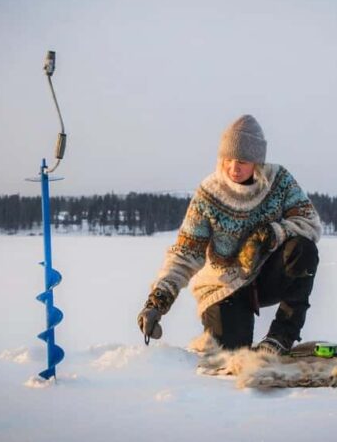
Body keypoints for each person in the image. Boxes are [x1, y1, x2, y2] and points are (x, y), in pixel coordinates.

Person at [137, 114, 322, 355]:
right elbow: (186, 253)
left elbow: (310, 222)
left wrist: (273, 233)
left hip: (264, 276)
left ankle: (281, 336)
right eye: (229, 159)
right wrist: (157, 302)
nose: (234, 168)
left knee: (303, 249)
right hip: (222, 285)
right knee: (231, 355)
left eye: (243, 161)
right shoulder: (209, 194)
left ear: (257, 161)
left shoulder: (279, 182)